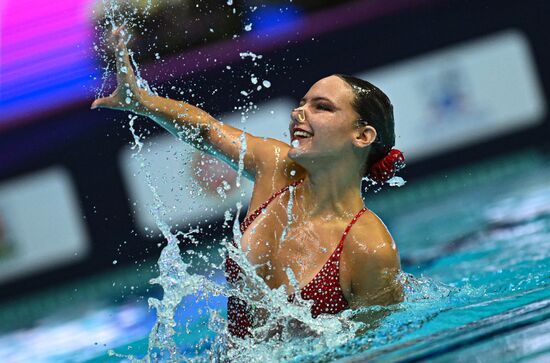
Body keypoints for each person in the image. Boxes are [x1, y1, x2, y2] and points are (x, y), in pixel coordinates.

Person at [92, 27, 405, 338]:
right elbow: (207, 131)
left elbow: (378, 346)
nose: (299, 113)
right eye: (302, 103)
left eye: (321, 107)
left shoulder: (369, 248)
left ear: (363, 136)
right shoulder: (276, 166)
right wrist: (143, 101)